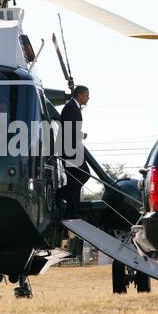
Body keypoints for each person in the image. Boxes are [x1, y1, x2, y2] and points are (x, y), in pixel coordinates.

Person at [57, 85, 91, 217]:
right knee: (84, 174)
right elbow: (67, 128)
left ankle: (71, 212)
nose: (88, 98)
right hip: (69, 150)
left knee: (75, 181)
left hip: (72, 148)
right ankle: (60, 193)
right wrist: (81, 135)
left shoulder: (74, 107)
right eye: (87, 95)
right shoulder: (70, 107)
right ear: (80, 94)